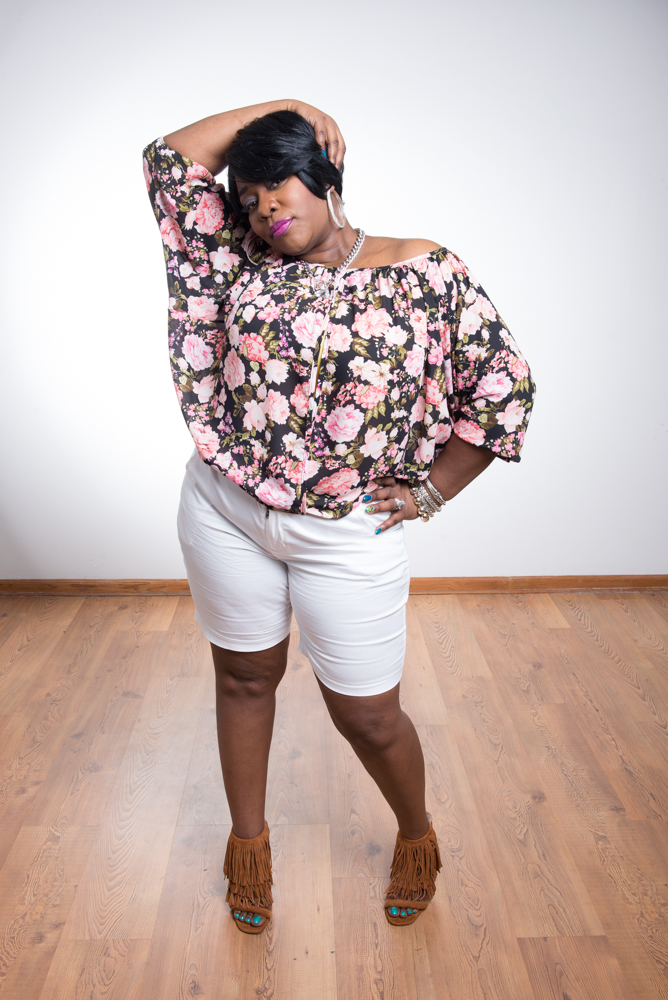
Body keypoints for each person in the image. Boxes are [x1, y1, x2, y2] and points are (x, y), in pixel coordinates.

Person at [144, 99, 535, 934]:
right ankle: (248, 848)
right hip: (226, 508)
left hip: (347, 528)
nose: (263, 209)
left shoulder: (426, 270)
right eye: (248, 197)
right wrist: (282, 100)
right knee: (244, 677)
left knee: (366, 714)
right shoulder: (238, 263)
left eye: (277, 185)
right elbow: (168, 161)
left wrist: (431, 492)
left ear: (325, 176)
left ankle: (416, 834)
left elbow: (503, 387)